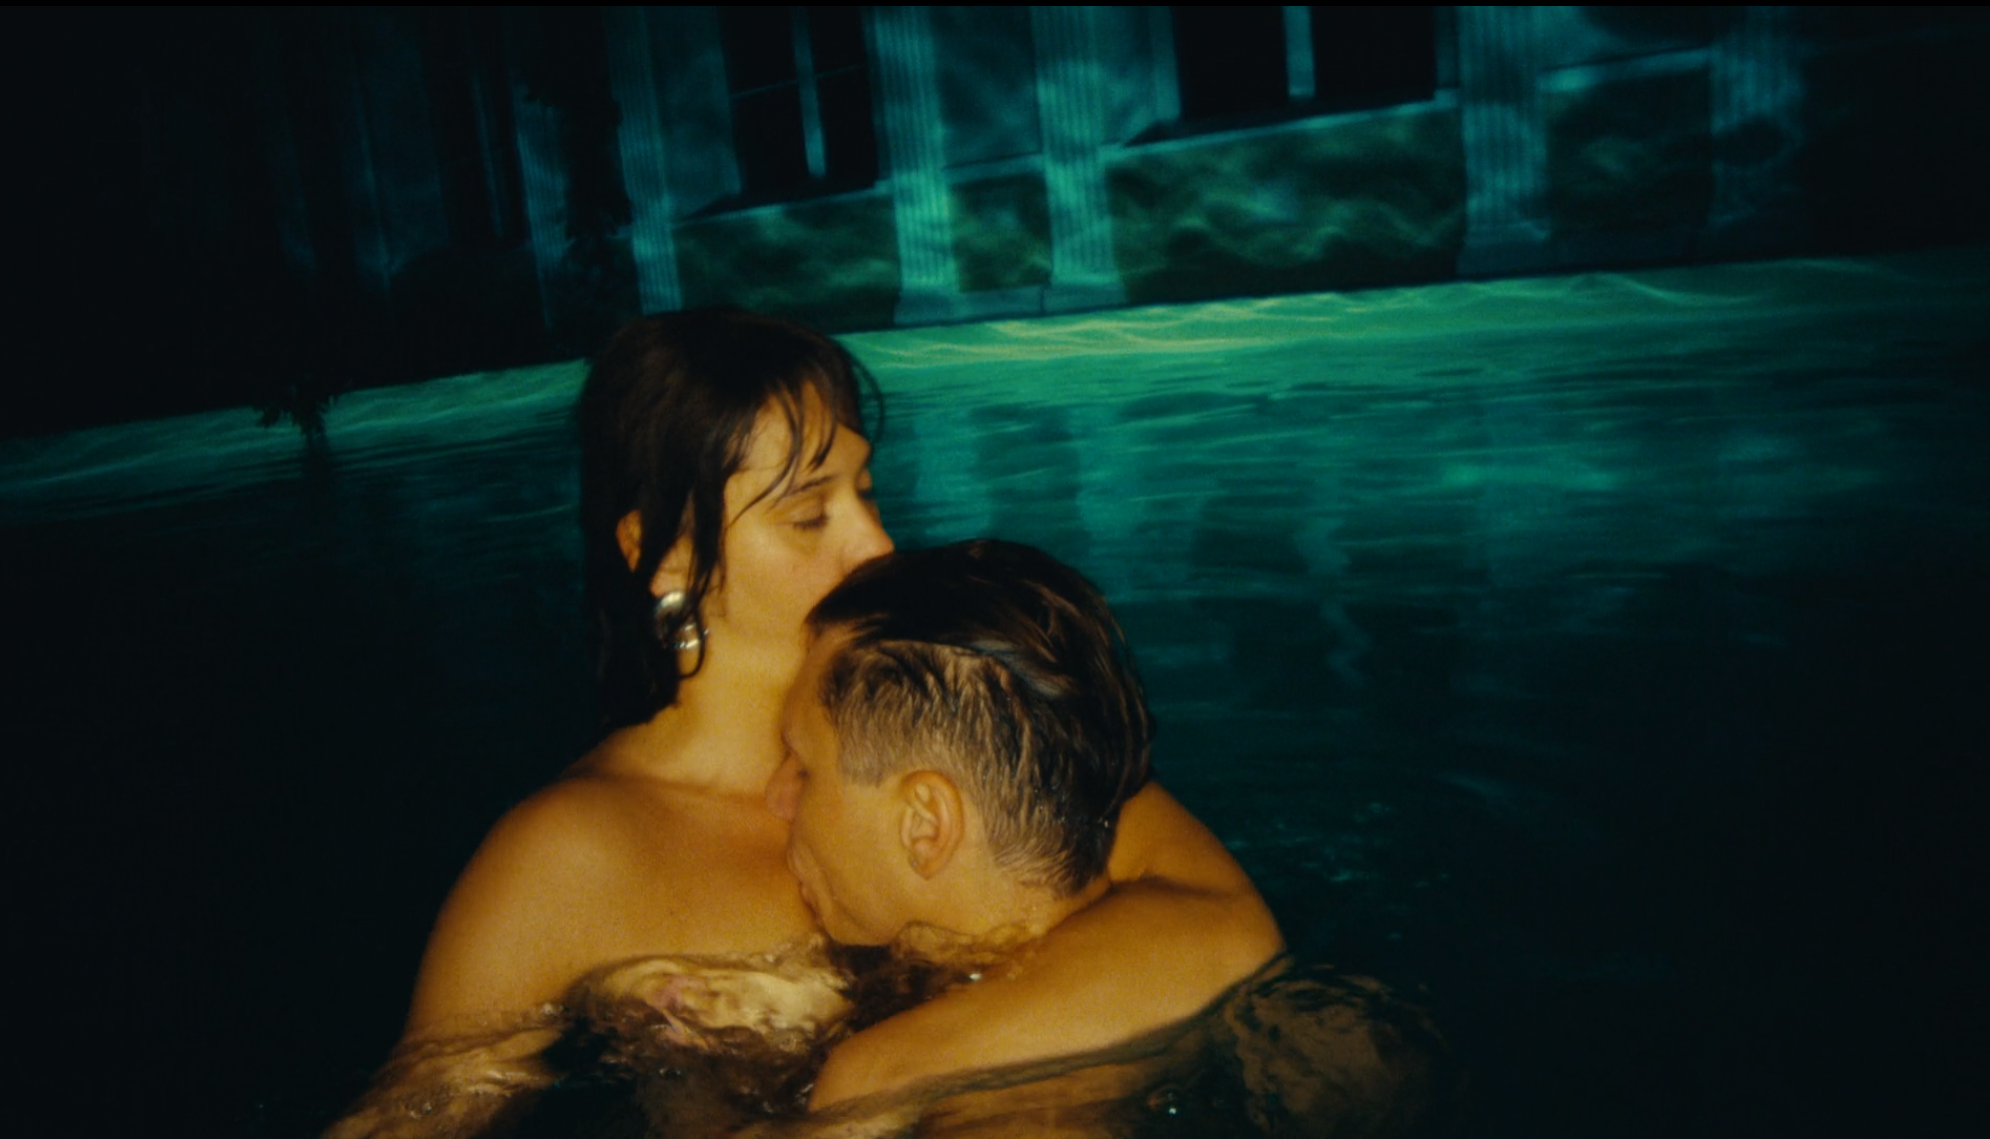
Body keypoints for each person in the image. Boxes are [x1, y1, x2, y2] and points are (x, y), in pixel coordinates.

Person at [396, 309, 1281, 1094]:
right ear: (666, 555)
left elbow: (1224, 924)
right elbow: (409, 1119)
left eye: (866, 490)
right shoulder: (570, 859)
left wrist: (883, 1072)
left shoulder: (960, 718)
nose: (877, 544)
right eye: (808, 515)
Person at [769, 538, 1281, 1110]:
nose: (775, 797)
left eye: (804, 769)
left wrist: (863, 1079)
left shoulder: (983, 1112)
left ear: (925, 825)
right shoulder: (1207, 919)